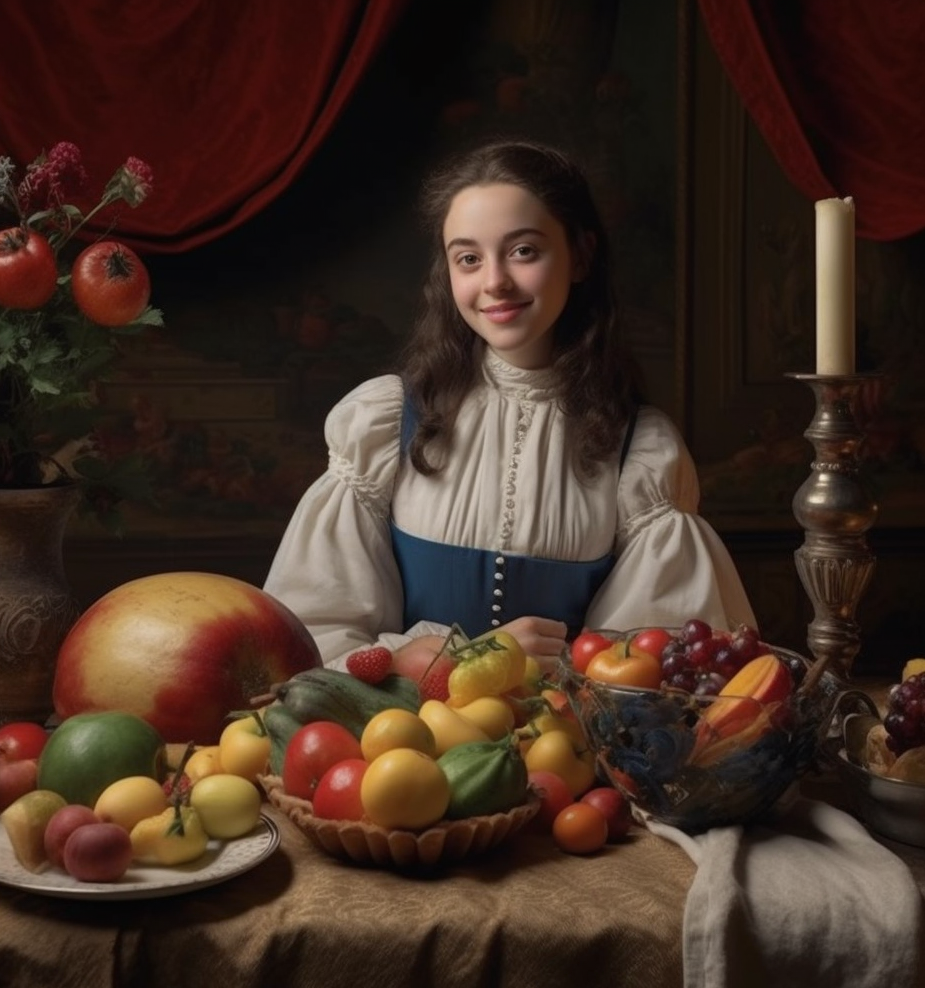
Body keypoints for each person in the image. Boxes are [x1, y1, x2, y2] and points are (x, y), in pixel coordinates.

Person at [263, 139, 755, 672]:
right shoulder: (385, 422)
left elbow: (647, 672)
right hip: (405, 745)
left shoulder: (639, 451)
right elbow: (316, 642)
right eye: (469, 258)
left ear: (581, 255)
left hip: (561, 747)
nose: (494, 281)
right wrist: (468, 662)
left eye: (524, 251)